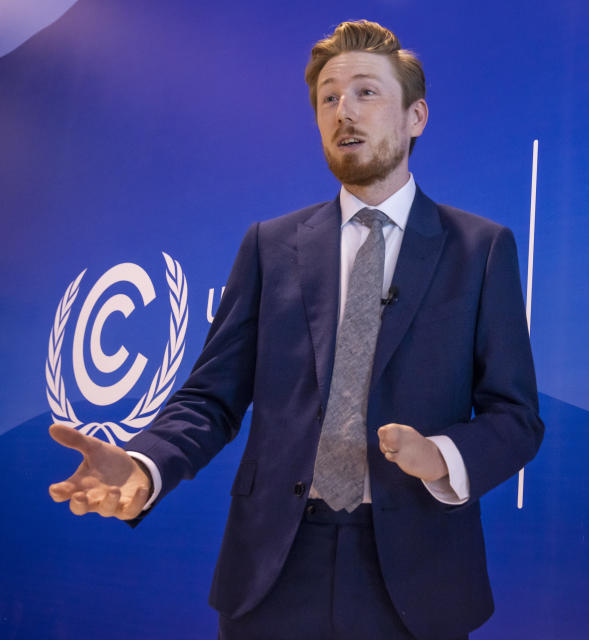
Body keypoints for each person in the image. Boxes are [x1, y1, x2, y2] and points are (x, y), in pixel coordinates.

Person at [47, 19, 543, 640]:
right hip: (272, 570)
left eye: (366, 92)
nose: (345, 112)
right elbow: (211, 398)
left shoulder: (480, 249)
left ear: (415, 116)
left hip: (417, 576)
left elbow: (516, 417)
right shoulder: (270, 245)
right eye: (329, 98)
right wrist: (146, 465)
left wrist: (439, 456)